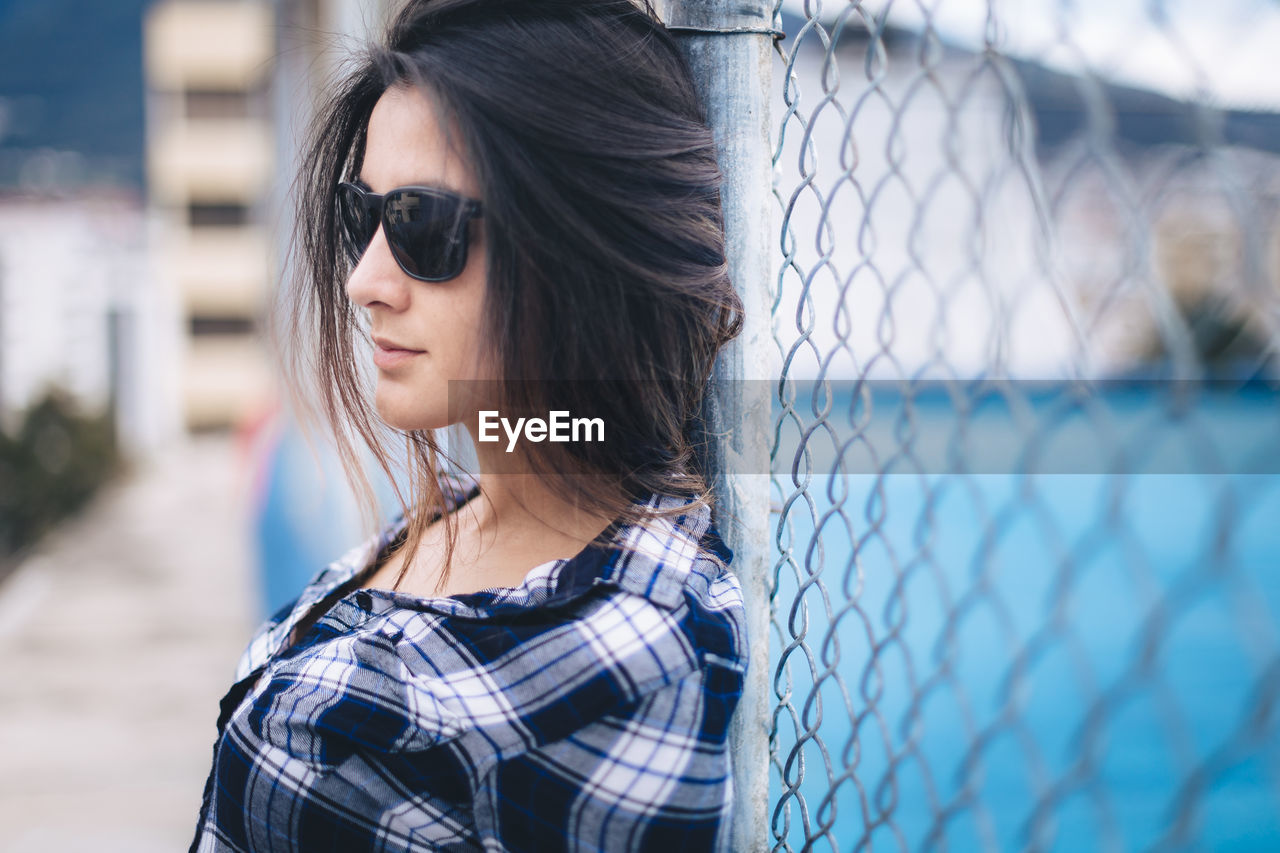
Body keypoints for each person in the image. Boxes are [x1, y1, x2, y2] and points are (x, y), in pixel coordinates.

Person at [189, 0, 747, 850]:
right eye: (361, 216)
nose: (364, 280)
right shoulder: (468, 502)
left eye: (420, 224)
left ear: (576, 242)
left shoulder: (625, 657)